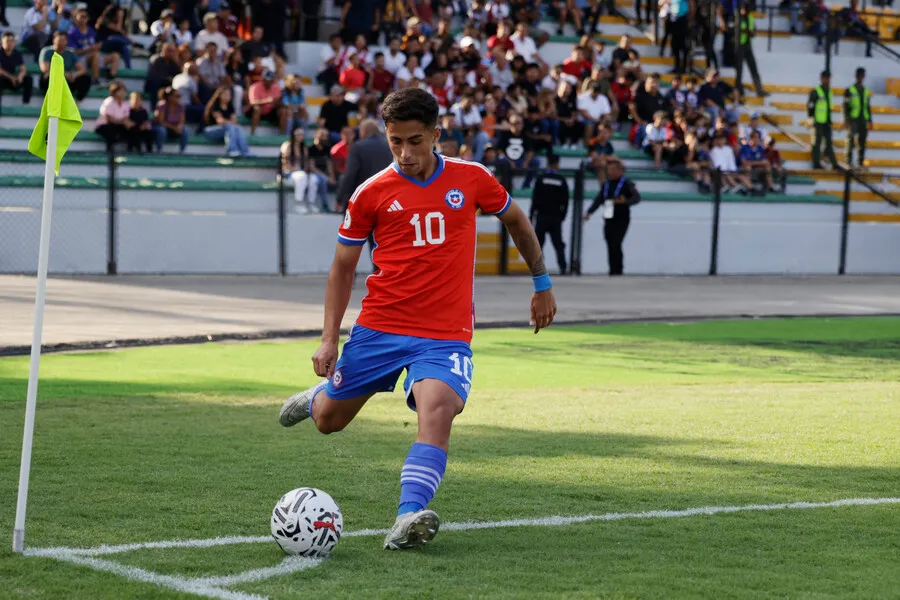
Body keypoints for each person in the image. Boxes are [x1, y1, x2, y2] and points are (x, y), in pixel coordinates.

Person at [277, 87, 557, 551]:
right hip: (381, 326)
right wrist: (328, 339)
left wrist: (542, 282)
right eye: (395, 142)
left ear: (435, 134)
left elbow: (517, 221)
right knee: (329, 421)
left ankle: (407, 517)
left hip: (445, 335)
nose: (405, 154)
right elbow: (342, 269)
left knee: (438, 410)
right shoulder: (371, 193)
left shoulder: (472, 178)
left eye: (415, 141)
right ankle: (318, 400)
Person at [583, 157, 640, 276]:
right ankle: (612, 269)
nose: (610, 172)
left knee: (616, 242)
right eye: (608, 170)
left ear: (620, 171)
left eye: (613, 170)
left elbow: (636, 198)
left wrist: (625, 201)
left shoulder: (626, 183)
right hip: (608, 216)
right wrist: (589, 212)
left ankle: (618, 269)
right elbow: (599, 199)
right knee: (609, 241)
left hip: (621, 217)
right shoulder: (607, 184)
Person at [335, 118, 392, 212]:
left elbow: (349, 175)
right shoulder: (389, 146)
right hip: (384, 198)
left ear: (364, 131)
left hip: (361, 198)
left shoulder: (358, 147)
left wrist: (339, 198)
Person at [530, 155, 569, 275]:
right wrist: (562, 216)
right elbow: (565, 201)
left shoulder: (541, 178)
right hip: (555, 217)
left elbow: (535, 198)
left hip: (542, 216)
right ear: (557, 164)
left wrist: (532, 215)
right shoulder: (561, 180)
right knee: (558, 244)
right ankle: (563, 268)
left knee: (538, 244)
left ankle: (538, 269)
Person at [39, 31, 91, 102]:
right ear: (54, 40)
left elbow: (82, 69)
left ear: (66, 41)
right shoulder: (46, 51)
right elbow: (45, 69)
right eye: (59, 40)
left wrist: (74, 75)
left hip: (67, 80)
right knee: (48, 77)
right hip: (53, 78)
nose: (61, 43)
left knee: (85, 78)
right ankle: (52, 100)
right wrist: (64, 74)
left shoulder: (71, 53)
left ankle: (78, 100)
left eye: (63, 40)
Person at [203, 86, 251, 157]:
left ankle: (245, 152)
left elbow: (235, 121)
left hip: (225, 130)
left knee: (238, 128)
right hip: (210, 130)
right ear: (220, 95)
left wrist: (229, 122)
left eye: (229, 94)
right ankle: (232, 150)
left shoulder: (230, 107)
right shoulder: (215, 106)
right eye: (225, 94)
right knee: (230, 126)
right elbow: (220, 121)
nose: (228, 96)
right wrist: (230, 122)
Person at [807, 70, 839, 170]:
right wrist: (811, 118)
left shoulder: (829, 91)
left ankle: (834, 163)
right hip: (818, 121)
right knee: (817, 143)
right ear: (821, 79)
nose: (827, 80)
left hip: (826, 121)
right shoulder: (816, 91)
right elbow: (810, 105)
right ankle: (816, 163)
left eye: (828, 78)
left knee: (829, 143)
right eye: (825, 78)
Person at [281, 127, 318, 213]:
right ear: (293, 135)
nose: (301, 136)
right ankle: (298, 203)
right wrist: (294, 170)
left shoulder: (304, 147)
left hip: (302, 173)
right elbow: (285, 163)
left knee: (313, 178)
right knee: (301, 176)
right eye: (298, 134)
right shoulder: (287, 145)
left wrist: (306, 171)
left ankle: (311, 203)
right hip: (288, 174)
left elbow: (306, 162)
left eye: (302, 134)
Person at [734, 4, 767, 98]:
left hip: (747, 46)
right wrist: (745, 31)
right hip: (739, 46)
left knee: (754, 69)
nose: (743, 11)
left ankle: (759, 89)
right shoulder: (737, 17)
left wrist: (751, 32)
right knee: (739, 70)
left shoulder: (750, 18)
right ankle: (738, 90)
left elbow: (754, 31)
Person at [844, 67, 872, 169]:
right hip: (853, 118)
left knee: (862, 141)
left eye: (862, 76)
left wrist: (870, 120)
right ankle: (848, 161)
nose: (861, 78)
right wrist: (846, 119)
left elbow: (867, 106)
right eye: (859, 76)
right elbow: (845, 106)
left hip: (863, 119)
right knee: (851, 140)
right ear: (856, 76)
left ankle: (860, 162)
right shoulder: (850, 90)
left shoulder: (866, 91)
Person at [95, 80, 132, 151]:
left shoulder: (125, 104)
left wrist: (129, 124)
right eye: (120, 91)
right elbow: (109, 119)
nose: (123, 93)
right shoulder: (109, 102)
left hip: (117, 125)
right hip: (104, 126)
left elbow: (126, 118)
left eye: (124, 91)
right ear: (115, 92)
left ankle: (131, 151)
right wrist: (122, 122)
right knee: (111, 131)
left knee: (132, 130)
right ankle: (110, 152)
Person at [247, 69, 286, 135]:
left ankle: (282, 135)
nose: (268, 82)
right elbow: (252, 102)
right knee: (257, 109)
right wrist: (267, 101)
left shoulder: (276, 87)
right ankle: (252, 133)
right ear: (263, 79)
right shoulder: (254, 87)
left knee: (283, 111)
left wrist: (278, 103)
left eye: (270, 80)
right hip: (256, 111)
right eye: (266, 80)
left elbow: (279, 102)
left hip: (270, 111)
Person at [0, 32, 33, 105]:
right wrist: (11, 77)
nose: (10, 43)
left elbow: (23, 69)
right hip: (4, 79)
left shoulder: (16, 53)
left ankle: (25, 104)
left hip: (14, 79)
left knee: (28, 79)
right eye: (8, 41)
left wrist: (20, 76)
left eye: (12, 41)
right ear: (1, 42)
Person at [154, 86, 190, 153]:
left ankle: (182, 152)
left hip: (174, 129)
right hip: (163, 128)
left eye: (179, 96)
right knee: (161, 130)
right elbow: (161, 122)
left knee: (185, 129)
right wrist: (174, 128)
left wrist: (179, 127)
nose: (179, 98)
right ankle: (159, 151)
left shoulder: (180, 106)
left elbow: (182, 120)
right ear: (169, 97)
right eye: (177, 96)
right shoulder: (162, 105)